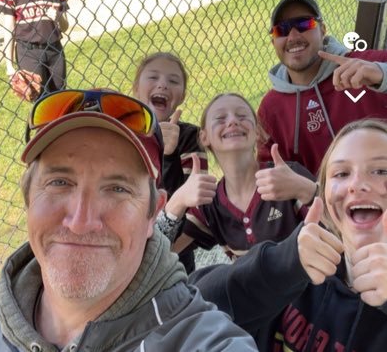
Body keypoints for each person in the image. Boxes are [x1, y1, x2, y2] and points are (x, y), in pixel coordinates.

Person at [0, 89, 259, 351]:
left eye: (118, 188)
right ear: (27, 198)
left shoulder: (200, 339)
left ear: (153, 214)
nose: (81, 222)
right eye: (59, 182)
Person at [190, 118, 387, 351]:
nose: (356, 184)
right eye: (341, 173)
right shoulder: (299, 272)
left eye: (381, 170)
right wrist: (284, 263)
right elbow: (191, 307)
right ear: (323, 195)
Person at [161, 93, 316, 260]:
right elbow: (161, 253)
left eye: (242, 116)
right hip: (250, 286)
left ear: (257, 132)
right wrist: (178, 200)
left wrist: (306, 189)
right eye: (220, 118)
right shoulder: (210, 203)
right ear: (204, 137)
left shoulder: (287, 176)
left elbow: (339, 226)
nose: (233, 121)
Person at [257, 0, 387, 176]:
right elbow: (269, 175)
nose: (293, 36)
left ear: (323, 29)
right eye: (282, 30)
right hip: (323, 202)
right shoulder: (271, 108)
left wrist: (383, 76)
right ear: (273, 42)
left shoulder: (364, 67)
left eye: (304, 24)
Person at [132, 52, 208, 273]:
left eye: (173, 81)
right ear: (136, 87)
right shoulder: (125, 136)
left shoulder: (189, 137)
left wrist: (168, 155)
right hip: (129, 252)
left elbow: (192, 206)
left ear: (182, 95)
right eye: (153, 78)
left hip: (176, 259)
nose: (163, 85)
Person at [0, 0, 69, 95]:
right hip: (28, 52)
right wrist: (9, 65)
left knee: (60, 95)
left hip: (55, 50)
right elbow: (9, 29)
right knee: (39, 99)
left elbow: (65, 27)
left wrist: (58, 17)